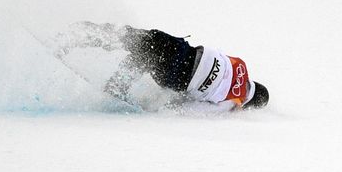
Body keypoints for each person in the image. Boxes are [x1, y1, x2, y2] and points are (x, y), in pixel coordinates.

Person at [102, 25, 269, 111]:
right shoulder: (233, 103)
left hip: (182, 50)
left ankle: (88, 33)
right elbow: (191, 108)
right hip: (179, 76)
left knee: (143, 41)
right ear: (248, 105)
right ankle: (116, 85)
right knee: (146, 59)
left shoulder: (240, 64)